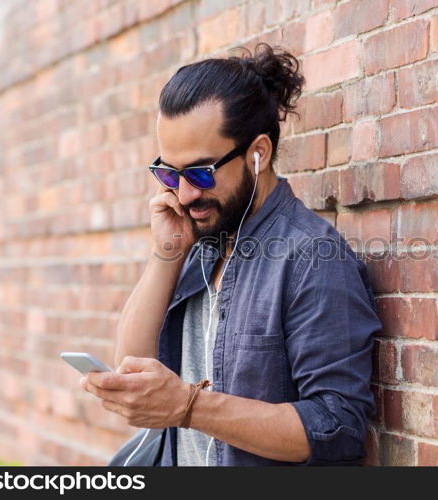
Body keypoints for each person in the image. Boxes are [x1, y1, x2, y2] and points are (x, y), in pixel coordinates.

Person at [80, 43, 382, 466]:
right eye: (170, 173)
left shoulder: (312, 257)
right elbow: (132, 366)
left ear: (258, 153)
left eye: (201, 173)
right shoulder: (199, 240)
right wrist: (166, 255)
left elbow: (337, 427)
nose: (184, 194)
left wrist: (189, 407)